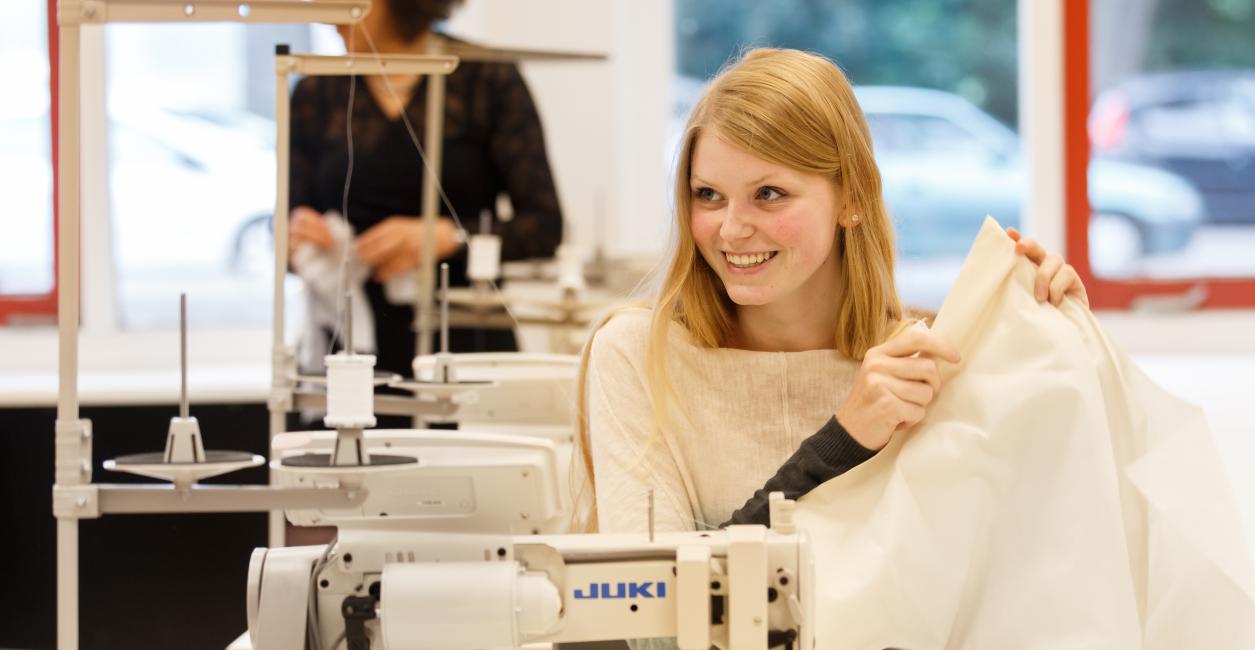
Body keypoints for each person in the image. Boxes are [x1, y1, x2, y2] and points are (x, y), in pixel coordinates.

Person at [575, 48, 1088, 537]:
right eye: (708, 195)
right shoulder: (638, 355)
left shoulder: (929, 365)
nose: (731, 230)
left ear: (853, 199)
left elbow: (1023, 560)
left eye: (768, 194)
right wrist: (846, 439)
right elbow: (658, 611)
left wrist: (1063, 344)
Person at [287, 0, 564, 379]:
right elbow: (289, 224)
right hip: (349, 357)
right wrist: (296, 235)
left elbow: (544, 227)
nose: (326, 13)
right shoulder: (315, 92)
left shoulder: (486, 79)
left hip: (464, 350)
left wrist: (447, 237)